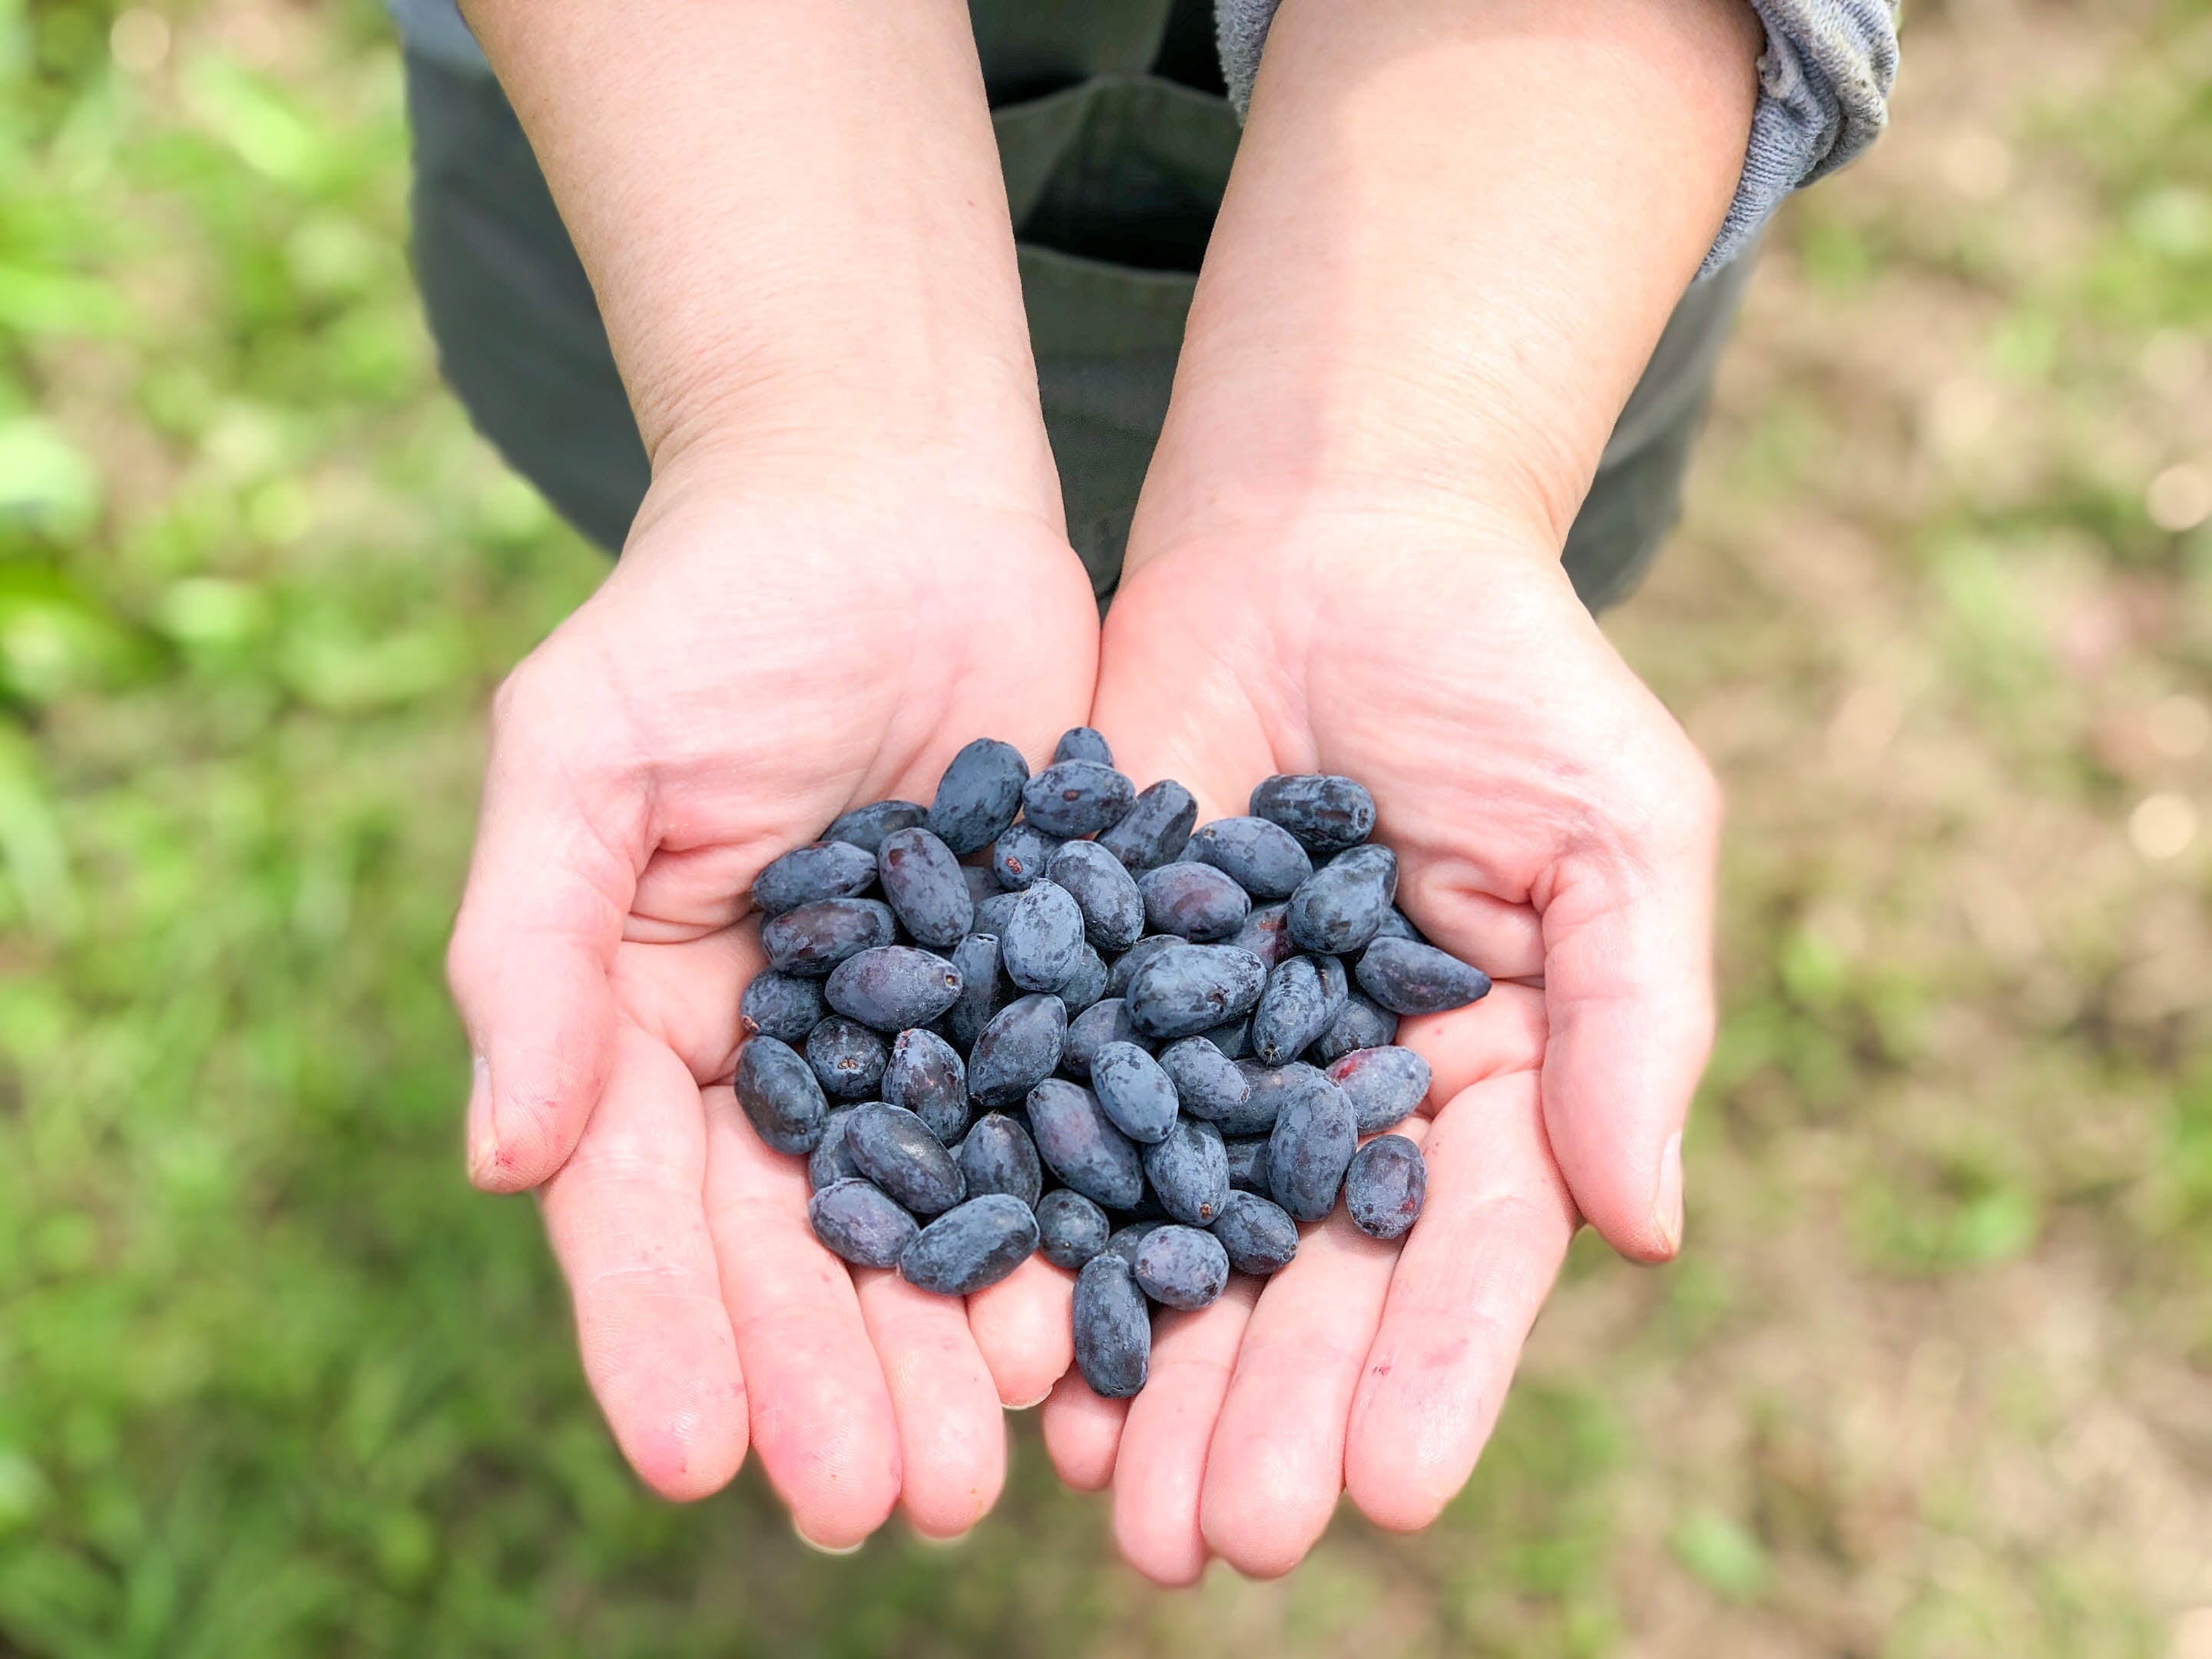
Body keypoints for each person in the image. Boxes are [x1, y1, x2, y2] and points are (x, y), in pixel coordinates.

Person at [400, 0, 1898, 1581]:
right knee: (656, 498)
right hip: (696, 184)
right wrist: (800, 430)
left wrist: (1415, 481)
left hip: (1514, 239)